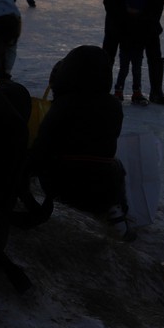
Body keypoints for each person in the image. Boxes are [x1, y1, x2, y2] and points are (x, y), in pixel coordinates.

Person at [28, 45, 131, 237]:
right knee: (116, 166)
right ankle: (116, 212)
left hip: (65, 185)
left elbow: (43, 147)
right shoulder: (113, 106)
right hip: (103, 187)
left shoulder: (64, 105)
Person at [101, 0, 164, 103]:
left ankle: (156, 91)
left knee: (153, 44)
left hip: (145, 10)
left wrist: (146, 20)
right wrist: (121, 18)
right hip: (119, 8)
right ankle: (101, 89)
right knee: (109, 46)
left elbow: (158, 3)